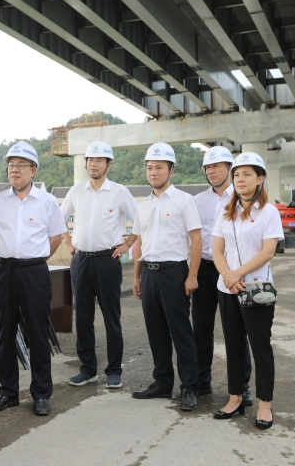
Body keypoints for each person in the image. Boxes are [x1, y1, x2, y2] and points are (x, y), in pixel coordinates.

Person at [0, 141, 67, 417]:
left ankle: (41, 394)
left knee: (38, 332)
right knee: (4, 332)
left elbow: (56, 238)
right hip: (4, 271)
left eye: (20, 165)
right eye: (11, 165)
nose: (14, 170)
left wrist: (34, 258)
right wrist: (10, 256)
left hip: (34, 272)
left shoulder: (47, 202)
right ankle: (8, 393)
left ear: (33, 170)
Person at [120, 142, 202, 412]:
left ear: (171, 170)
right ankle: (162, 382)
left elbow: (196, 239)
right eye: (149, 167)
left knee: (180, 332)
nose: (153, 172)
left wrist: (192, 275)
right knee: (156, 332)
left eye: (159, 167)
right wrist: (136, 276)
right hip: (149, 274)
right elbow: (140, 241)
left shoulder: (184, 200)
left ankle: (189, 387)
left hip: (174, 273)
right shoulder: (143, 205)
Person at [212, 152, 283, 430]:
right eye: (237, 175)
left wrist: (237, 273)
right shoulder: (225, 212)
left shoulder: (269, 212)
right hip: (227, 289)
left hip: (256, 289)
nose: (240, 179)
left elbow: (268, 251)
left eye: (247, 174)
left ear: (260, 178)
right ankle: (235, 397)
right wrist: (227, 276)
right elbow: (217, 250)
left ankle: (265, 403)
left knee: (260, 346)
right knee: (233, 346)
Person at [61, 141, 138, 389]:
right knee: (83, 317)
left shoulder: (119, 192)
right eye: (90, 160)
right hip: (81, 261)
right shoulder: (76, 192)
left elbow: (141, 219)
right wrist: (68, 242)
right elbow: (58, 218)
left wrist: (127, 244)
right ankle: (88, 369)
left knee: (111, 317)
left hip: (107, 261)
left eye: (98, 160)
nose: (93, 164)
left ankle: (114, 370)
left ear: (108, 165)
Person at [192, 147, 253, 406]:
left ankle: (242, 386)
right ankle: (201, 380)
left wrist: (235, 273)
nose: (211, 171)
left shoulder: (242, 198)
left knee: (237, 331)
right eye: (208, 167)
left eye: (217, 166)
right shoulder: (197, 201)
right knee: (201, 329)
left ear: (229, 168)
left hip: (235, 273)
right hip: (205, 269)